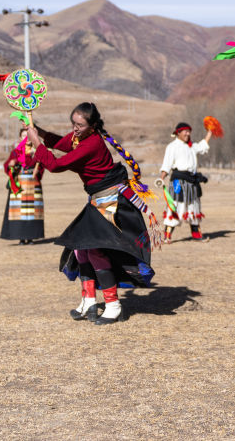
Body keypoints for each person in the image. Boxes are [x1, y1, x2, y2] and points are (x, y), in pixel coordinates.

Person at [26, 103, 157, 325]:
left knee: (95, 249)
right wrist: (36, 129)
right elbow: (59, 143)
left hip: (111, 200)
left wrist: (36, 141)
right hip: (98, 198)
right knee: (81, 248)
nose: (74, 129)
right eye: (73, 124)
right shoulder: (79, 137)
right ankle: (89, 301)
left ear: (93, 126)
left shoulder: (92, 143)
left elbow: (56, 165)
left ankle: (113, 305)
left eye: (80, 125)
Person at [158, 122, 212, 241]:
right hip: (178, 181)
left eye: (189, 131)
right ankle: (167, 235)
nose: (188, 134)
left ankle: (196, 234)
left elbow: (203, 145)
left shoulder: (191, 146)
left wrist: (210, 132)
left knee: (194, 206)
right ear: (178, 133)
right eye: (185, 131)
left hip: (192, 181)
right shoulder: (172, 147)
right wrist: (161, 178)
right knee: (176, 206)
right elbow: (166, 165)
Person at [0, 126, 45, 244]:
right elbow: (7, 166)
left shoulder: (37, 152)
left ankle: (30, 237)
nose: (26, 138)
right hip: (19, 185)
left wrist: (38, 169)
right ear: (20, 138)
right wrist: (11, 164)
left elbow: (41, 167)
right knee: (19, 212)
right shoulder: (15, 152)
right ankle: (21, 237)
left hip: (33, 185)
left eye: (29, 136)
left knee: (32, 212)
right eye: (24, 136)